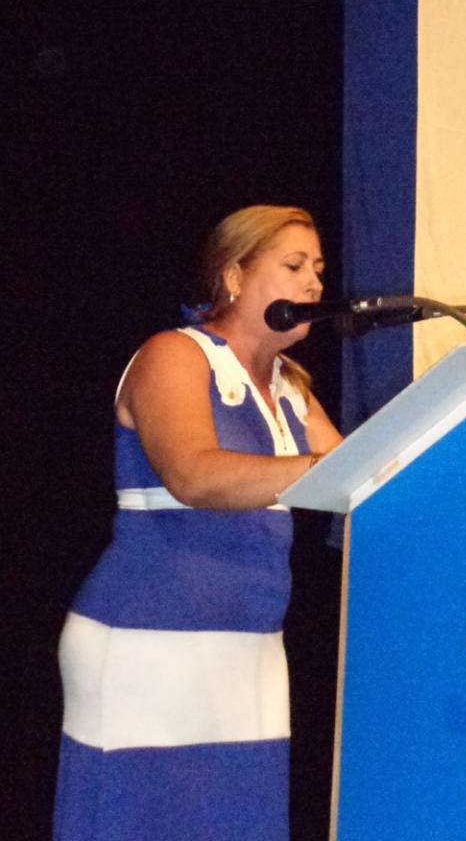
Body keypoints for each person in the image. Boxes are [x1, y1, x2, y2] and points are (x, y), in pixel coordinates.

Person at [53, 204, 342, 841]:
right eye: (293, 266)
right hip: (144, 643)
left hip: (250, 655)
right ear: (234, 277)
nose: (315, 285)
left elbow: (358, 481)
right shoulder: (175, 355)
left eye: (318, 269)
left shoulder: (291, 389)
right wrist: (328, 467)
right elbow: (194, 476)